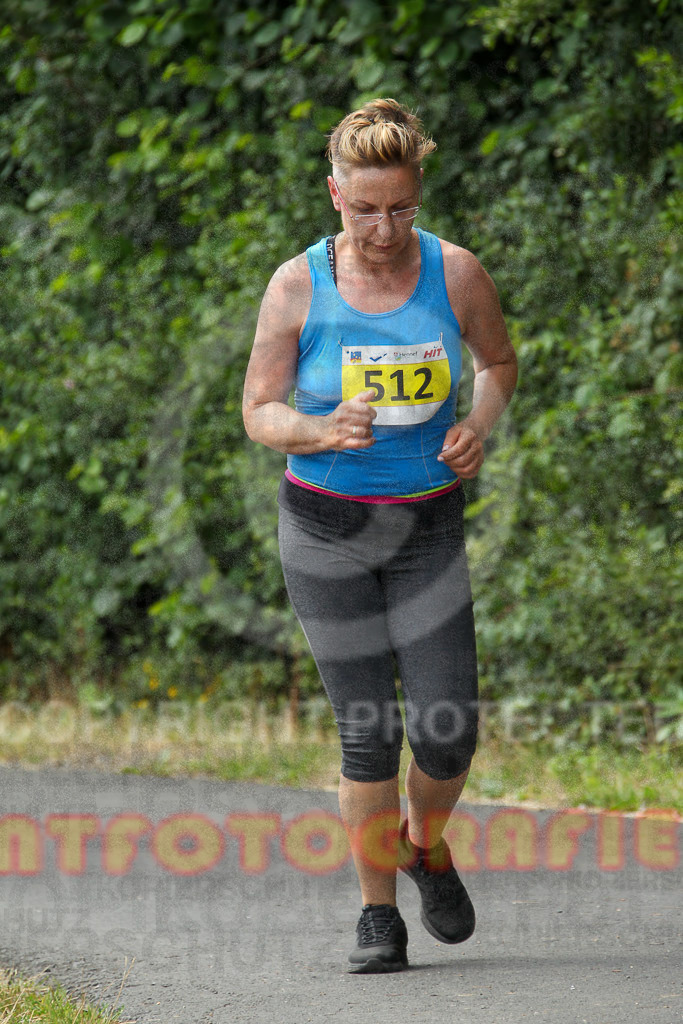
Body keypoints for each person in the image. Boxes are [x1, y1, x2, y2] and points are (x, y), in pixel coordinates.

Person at [242, 98, 517, 973]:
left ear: (418, 195)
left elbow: (497, 363)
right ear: (333, 195)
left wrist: (477, 423)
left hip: (428, 526)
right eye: (364, 209)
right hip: (324, 526)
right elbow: (258, 412)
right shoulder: (295, 284)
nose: (384, 227)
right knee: (367, 731)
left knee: (446, 731)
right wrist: (319, 431)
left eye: (400, 207)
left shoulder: (457, 272)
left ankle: (425, 846)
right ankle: (377, 919)